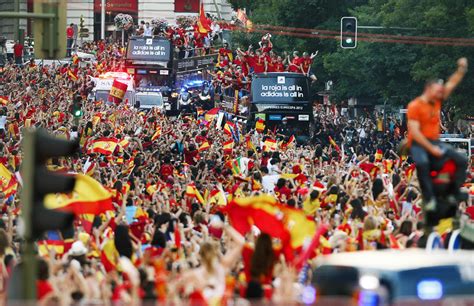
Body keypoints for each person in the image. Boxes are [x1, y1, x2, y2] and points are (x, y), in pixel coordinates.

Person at [407, 57, 468, 210]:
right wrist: (430, 148)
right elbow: (414, 131)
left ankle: (454, 190)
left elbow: (451, 84)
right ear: (428, 89)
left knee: (461, 160)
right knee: (423, 164)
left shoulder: (437, 100)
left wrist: (461, 71)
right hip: (419, 143)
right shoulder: (415, 106)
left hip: (435, 141)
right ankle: (429, 198)